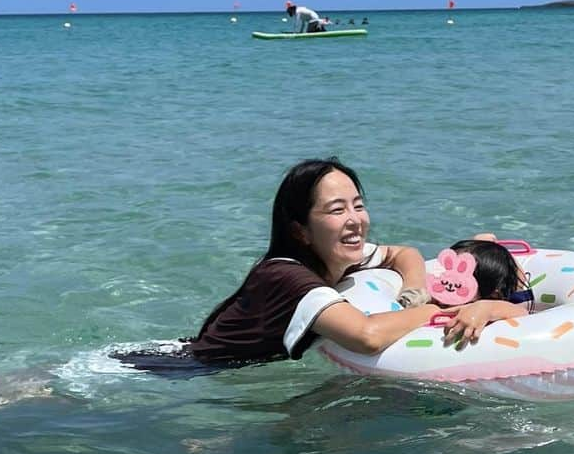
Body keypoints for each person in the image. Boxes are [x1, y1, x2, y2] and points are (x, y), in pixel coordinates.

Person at [117, 158, 440, 372]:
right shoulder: (287, 277)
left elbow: (403, 253)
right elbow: (364, 336)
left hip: (183, 362)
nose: (355, 220)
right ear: (300, 230)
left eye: (358, 205)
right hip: (163, 372)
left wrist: (415, 290)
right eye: (336, 210)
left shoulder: (336, 253)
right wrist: (432, 313)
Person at [433, 237, 535, 347]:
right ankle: (486, 240)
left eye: (459, 278)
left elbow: (522, 313)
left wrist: (486, 308)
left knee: (517, 284)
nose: (446, 281)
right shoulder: (433, 294)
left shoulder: (495, 303)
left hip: (501, 293)